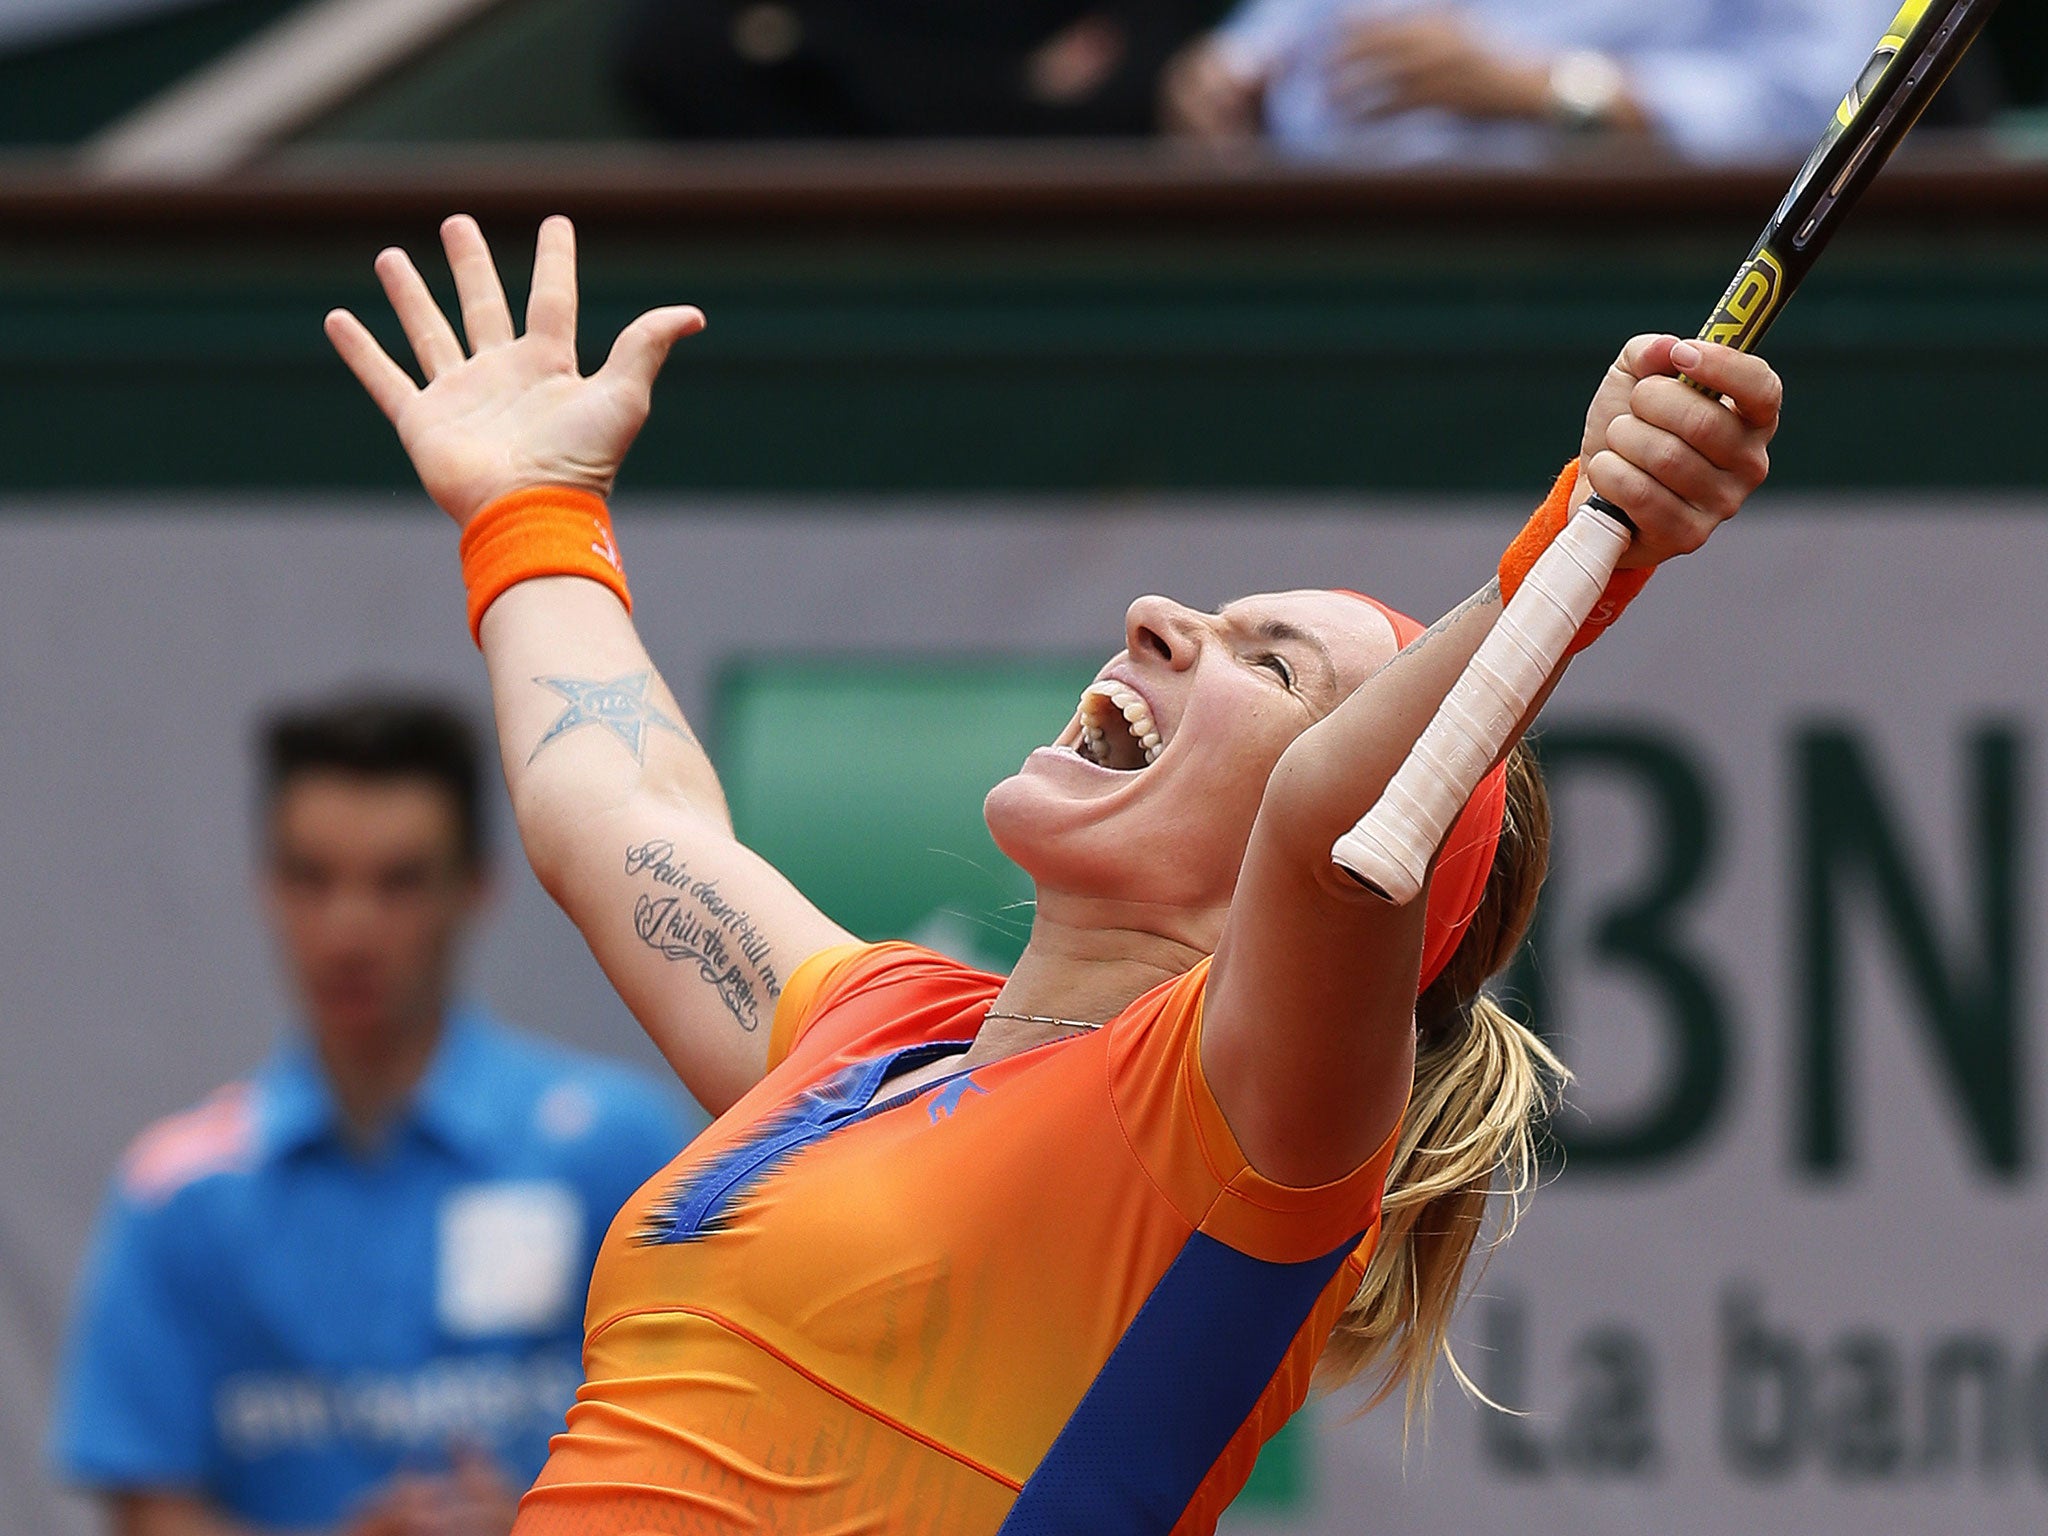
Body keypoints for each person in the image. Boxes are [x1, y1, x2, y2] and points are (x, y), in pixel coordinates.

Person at [321, 215, 1781, 1532]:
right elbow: (615, 804)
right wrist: (533, 510)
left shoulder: (1237, 1126)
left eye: (1269, 664)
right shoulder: (876, 1036)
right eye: (1211, 614)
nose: (1159, 618)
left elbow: (1334, 841)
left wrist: (1581, 541)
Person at [48, 695, 695, 1536]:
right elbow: (147, 1511)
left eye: (398, 882)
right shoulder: (177, 1194)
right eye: (312, 878)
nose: (349, 929)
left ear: (476, 888)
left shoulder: (620, 1151)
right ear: (266, 886)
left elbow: (715, 1465)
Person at [1161, 0, 1904, 165]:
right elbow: (1275, 35)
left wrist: (1546, 89)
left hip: (1612, 277)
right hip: (1307, 253)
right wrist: (1223, 70)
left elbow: (1834, 103)